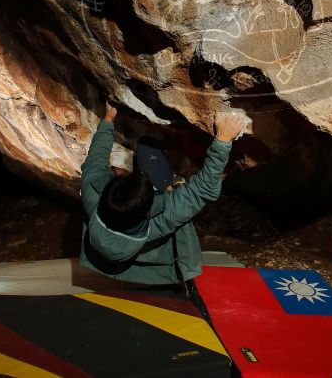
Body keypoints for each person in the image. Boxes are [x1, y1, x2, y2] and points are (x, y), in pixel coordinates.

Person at [79, 102, 246, 285]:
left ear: (105, 194)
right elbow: (203, 188)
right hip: (161, 272)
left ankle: (169, 183)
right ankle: (171, 183)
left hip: (105, 265)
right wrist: (223, 139)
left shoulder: (91, 194)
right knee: (177, 184)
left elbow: (95, 160)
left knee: (146, 145)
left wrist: (108, 119)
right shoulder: (163, 218)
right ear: (149, 212)